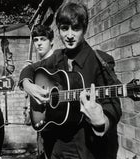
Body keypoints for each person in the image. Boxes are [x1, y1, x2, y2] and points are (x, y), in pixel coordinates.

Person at [19, 2, 122, 159]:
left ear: (85, 29)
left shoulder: (100, 61)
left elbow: (113, 105)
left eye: (76, 28)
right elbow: (30, 69)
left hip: (86, 148)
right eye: (64, 28)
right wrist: (28, 85)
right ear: (58, 29)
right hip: (54, 145)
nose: (69, 35)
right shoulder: (56, 57)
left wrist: (101, 121)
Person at [30, 24, 56, 159]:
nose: (39, 43)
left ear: (51, 41)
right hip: (44, 123)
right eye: (36, 40)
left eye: (43, 39)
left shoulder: (58, 62)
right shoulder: (37, 66)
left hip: (58, 127)